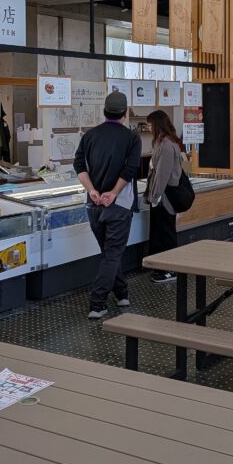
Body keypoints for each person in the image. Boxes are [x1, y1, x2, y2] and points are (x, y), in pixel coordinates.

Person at [73, 91, 142, 320]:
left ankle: (122, 293)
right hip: (119, 205)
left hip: (93, 205)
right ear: (125, 113)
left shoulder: (90, 135)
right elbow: (130, 170)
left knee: (109, 252)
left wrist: (91, 190)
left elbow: (79, 165)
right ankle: (97, 303)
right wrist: (113, 193)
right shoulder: (132, 138)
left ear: (104, 111)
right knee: (112, 254)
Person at [144, 110, 184, 284]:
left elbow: (162, 175)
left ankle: (170, 269)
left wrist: (155, 197)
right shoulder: (166, 143)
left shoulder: (166, 146)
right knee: (161, 233)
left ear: (157, 125)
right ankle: (162, 267)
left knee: (166, 234)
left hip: (164, 199)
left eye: (150, 124)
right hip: (162, 198)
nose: (148, 127)